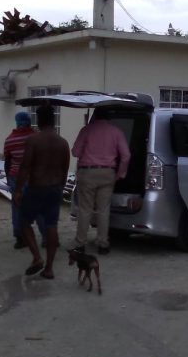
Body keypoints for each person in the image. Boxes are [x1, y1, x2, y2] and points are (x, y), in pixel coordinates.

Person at [13, 105, 70, 279]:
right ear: (54, 121)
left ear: (38, 120)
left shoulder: (34, 140)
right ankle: (49, 268)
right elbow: (65, 170)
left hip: (37, 188)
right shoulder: (63, 143)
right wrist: (60, 188)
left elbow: (25, 167)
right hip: (55, 189)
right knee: (51, 225)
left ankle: (37, 257)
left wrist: (18, 190)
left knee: (23, 222)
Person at [71, 110, 131, 255]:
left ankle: (80, 243)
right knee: (103, 209)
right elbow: (126, 156)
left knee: (85, 209)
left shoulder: (86, 130)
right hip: (108, 173)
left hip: (88, 172)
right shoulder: (116, 132)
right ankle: (103, 243)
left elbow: (75, 152)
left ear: (95, 116)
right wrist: (120, 173)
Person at [3, 111, 47, 249]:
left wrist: (10, 179)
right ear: (29, 121)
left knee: (17, 208)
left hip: (16, 177)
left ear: (17, 122)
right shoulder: (37, 137)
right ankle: (46, 238)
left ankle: (20, 238)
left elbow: (8, 162)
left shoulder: (9, 140)